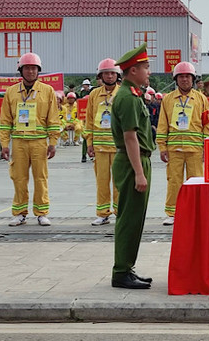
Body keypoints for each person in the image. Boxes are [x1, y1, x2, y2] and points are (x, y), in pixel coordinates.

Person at [110, 43, 154, 289]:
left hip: (137, 161)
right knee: (128, 219)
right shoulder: (127, 98)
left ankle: (127, 267)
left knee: (135, 219)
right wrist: (139, 173)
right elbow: (130, 137)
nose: (148, 71)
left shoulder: (133, 94)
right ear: (133, 70)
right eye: (145, 67)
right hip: (131, 163)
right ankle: (120, 272)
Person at [0, 52, 61, 227]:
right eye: (27, 68)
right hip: (18, 142)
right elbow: (5, 121)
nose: (30, 72)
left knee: (40, 178)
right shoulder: (11, 92)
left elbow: (53, 119)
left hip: (39, 142)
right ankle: (20, 212)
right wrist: (5, 144)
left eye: (34, 68)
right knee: (19, 178)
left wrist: (53, 142)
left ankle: (42, 213)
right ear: (20, 70)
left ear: (38, 70)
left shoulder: (47, 91)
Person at [156, 61, 209, 225]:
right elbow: (162, 124)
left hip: (195, 149)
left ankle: (197, 211)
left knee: (196, 181)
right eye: (181, 76)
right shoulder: (168, 100)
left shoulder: (201, 99)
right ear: (176, 79)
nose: (184, 80)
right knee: (174, 181)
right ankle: (172, 213)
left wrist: (206, 147)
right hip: (174, 148)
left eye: (187, 76)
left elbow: (207, 125)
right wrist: (162, 146)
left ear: (193, 78)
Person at [85, 58, 121, 226]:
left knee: (119, 182)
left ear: (117, 75)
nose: (109, 76)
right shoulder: (94, 95)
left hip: (118, 146)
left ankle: (120, 212)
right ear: (100, 76)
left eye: (112, 73)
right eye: (106, 73)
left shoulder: (122, 93)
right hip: (99, 147)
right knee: (102, 181)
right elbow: (89, 120)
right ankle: (102, 213)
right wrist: (89, 143)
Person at [78, 79, 94, 163]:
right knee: (85, 139)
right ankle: (84, 155)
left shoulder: (93, 92)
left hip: (93, 125)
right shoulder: (82, 93)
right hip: (85, 124)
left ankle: (92, 155)